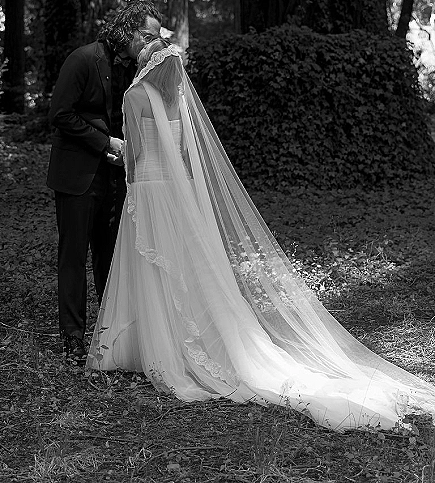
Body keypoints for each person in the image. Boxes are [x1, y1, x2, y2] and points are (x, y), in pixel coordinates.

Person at [87, 38, 435, 431]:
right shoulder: (178, 96)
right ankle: (171, 341)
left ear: (145, 64)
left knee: (150, 265)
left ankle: (149, 347)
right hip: (177, 189)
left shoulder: (135, 97)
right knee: (180, 265)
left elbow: (134, 153)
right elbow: (184, 153)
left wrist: (119, 158)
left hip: (150, 189)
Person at [47, 0, 161, 362]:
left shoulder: (135, 70)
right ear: (127, 30)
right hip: (77, 176)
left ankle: (110, 335)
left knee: (110, 258)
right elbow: (60, 113)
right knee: (73, 257)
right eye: (146, 36)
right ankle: (72, 339)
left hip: (114, 178)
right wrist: (104, 142)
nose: (150, 44)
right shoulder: (83, 59)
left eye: (156, 38)